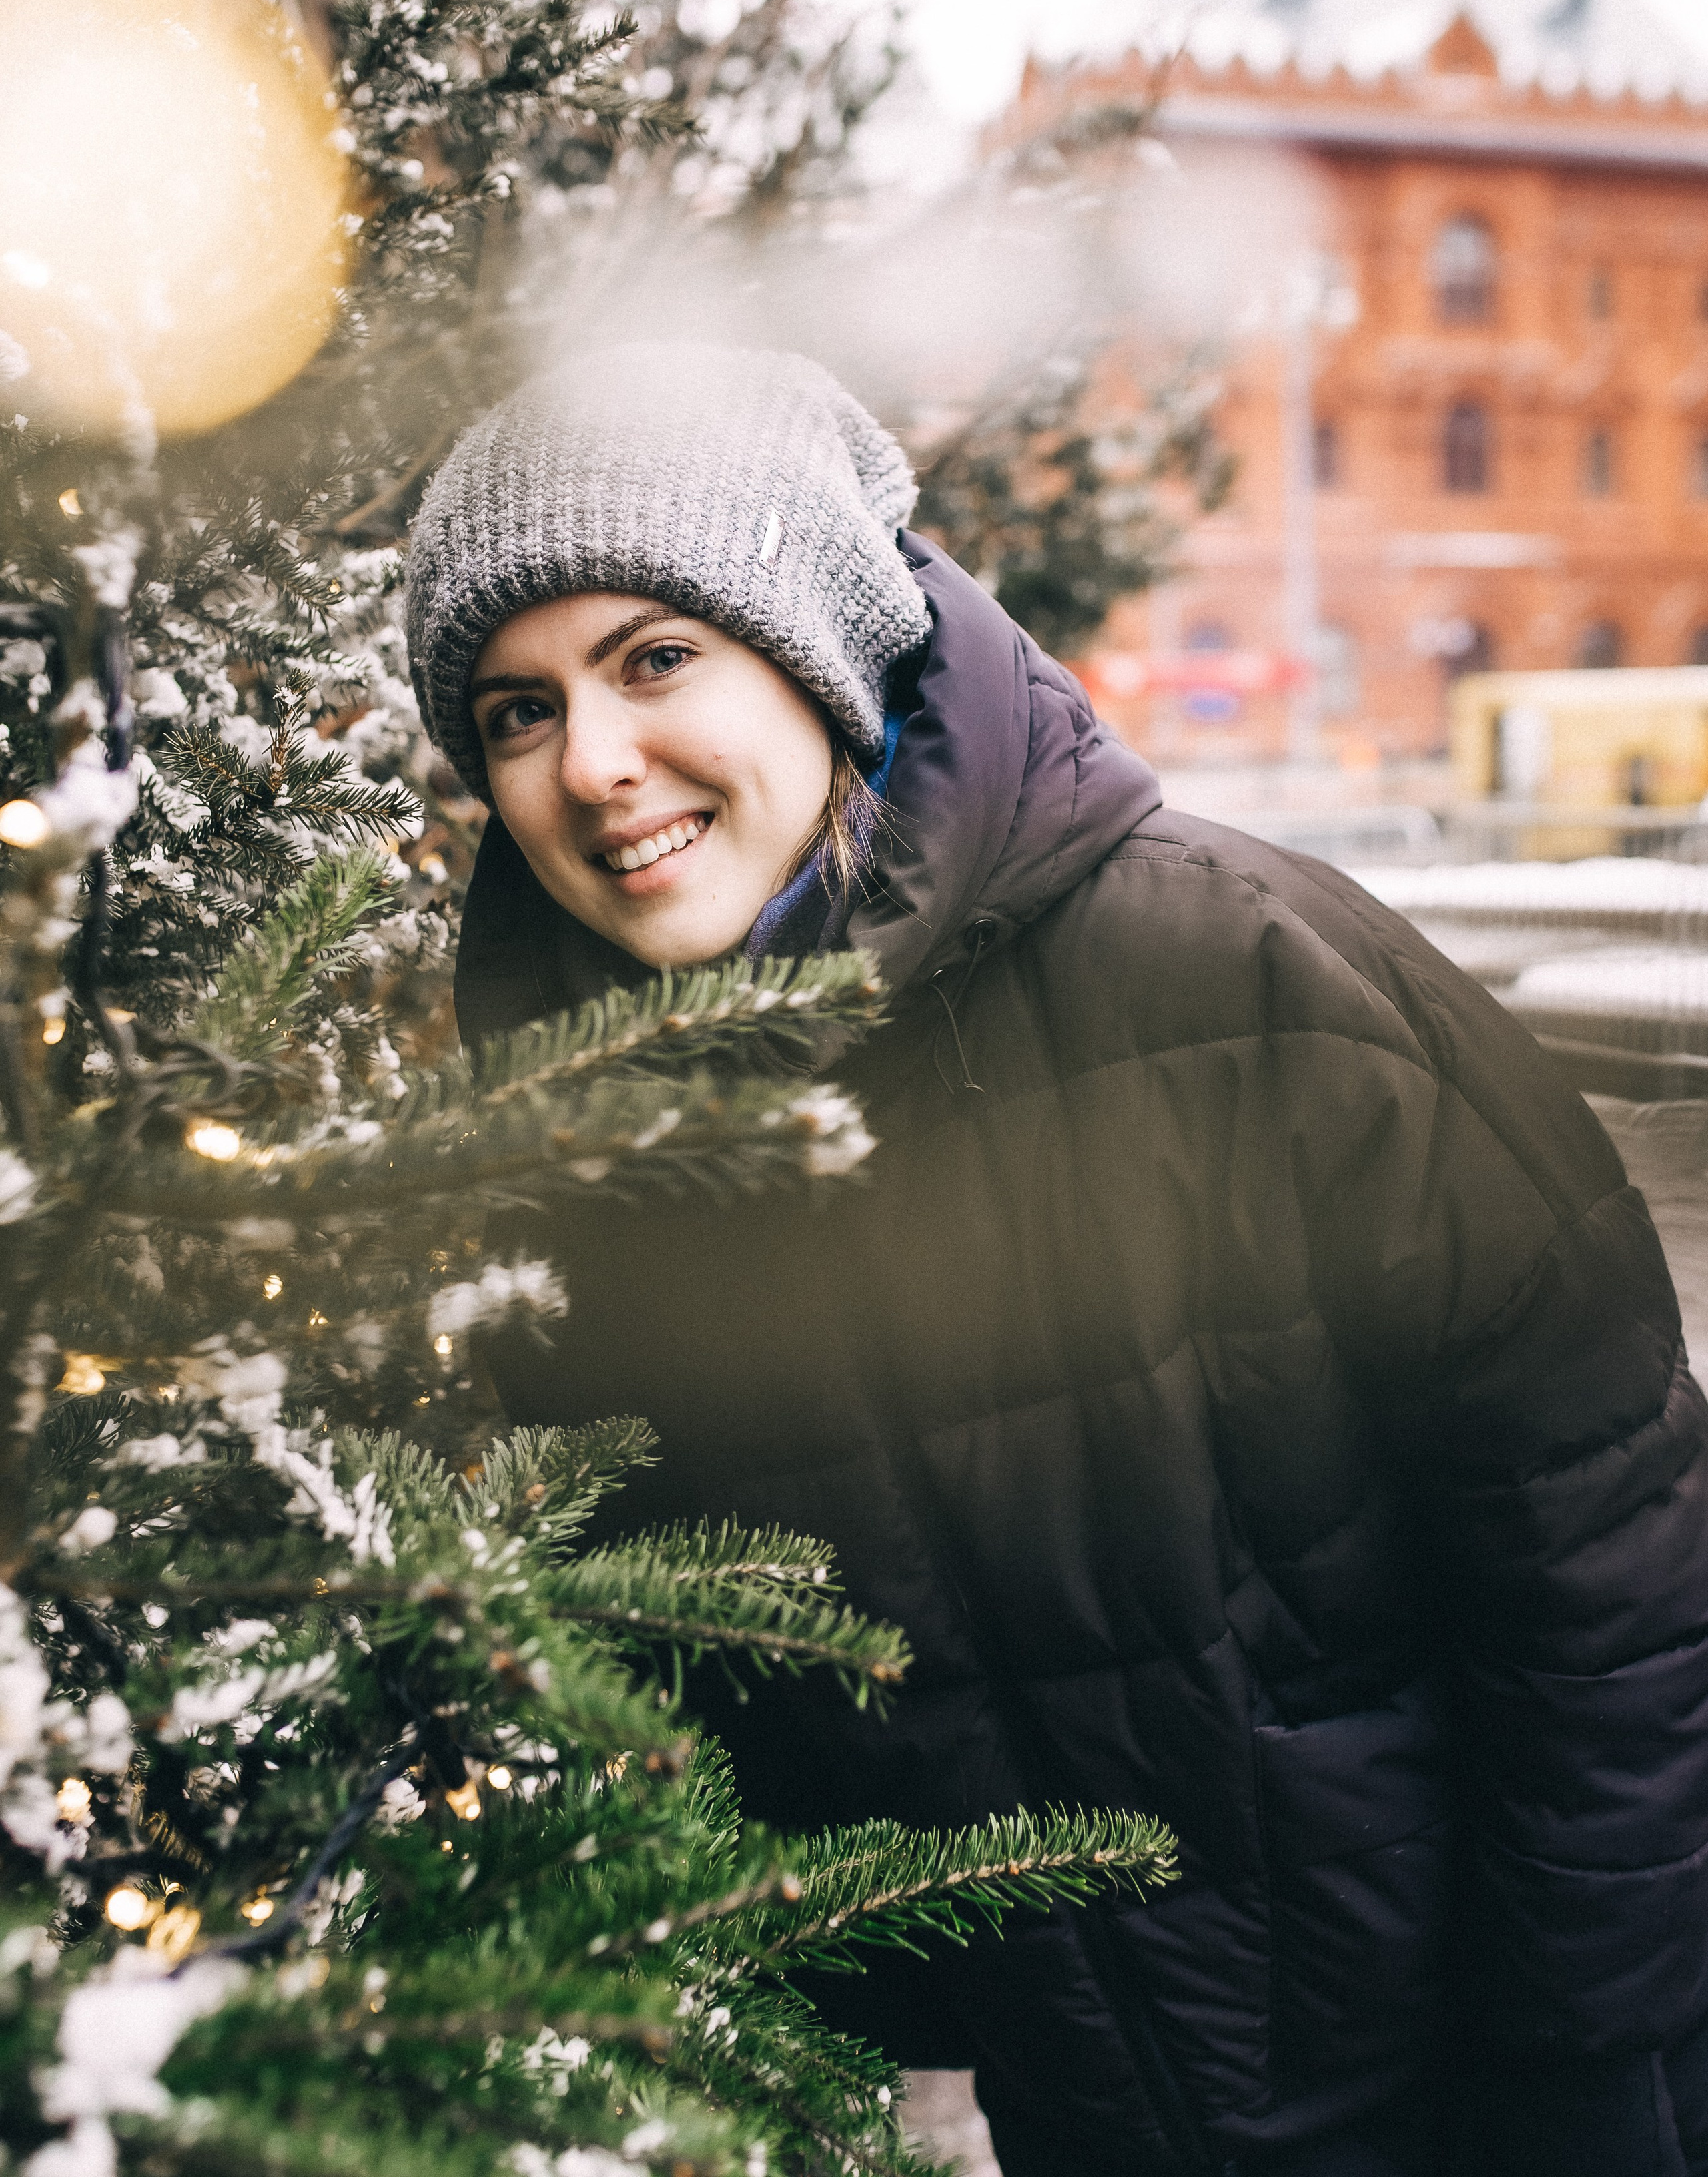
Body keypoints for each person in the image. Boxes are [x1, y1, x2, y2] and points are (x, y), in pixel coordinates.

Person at [406, 344, 1708, 2177]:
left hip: (1491, 2067)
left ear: (823, 647)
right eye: (514, 711)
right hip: (1081, 2114)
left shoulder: (1249, 984)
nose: (594, 763)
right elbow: (705, 1683)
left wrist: (1583, 2058)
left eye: (652, 656)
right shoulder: (577, 1157)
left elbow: (1615, 1557)